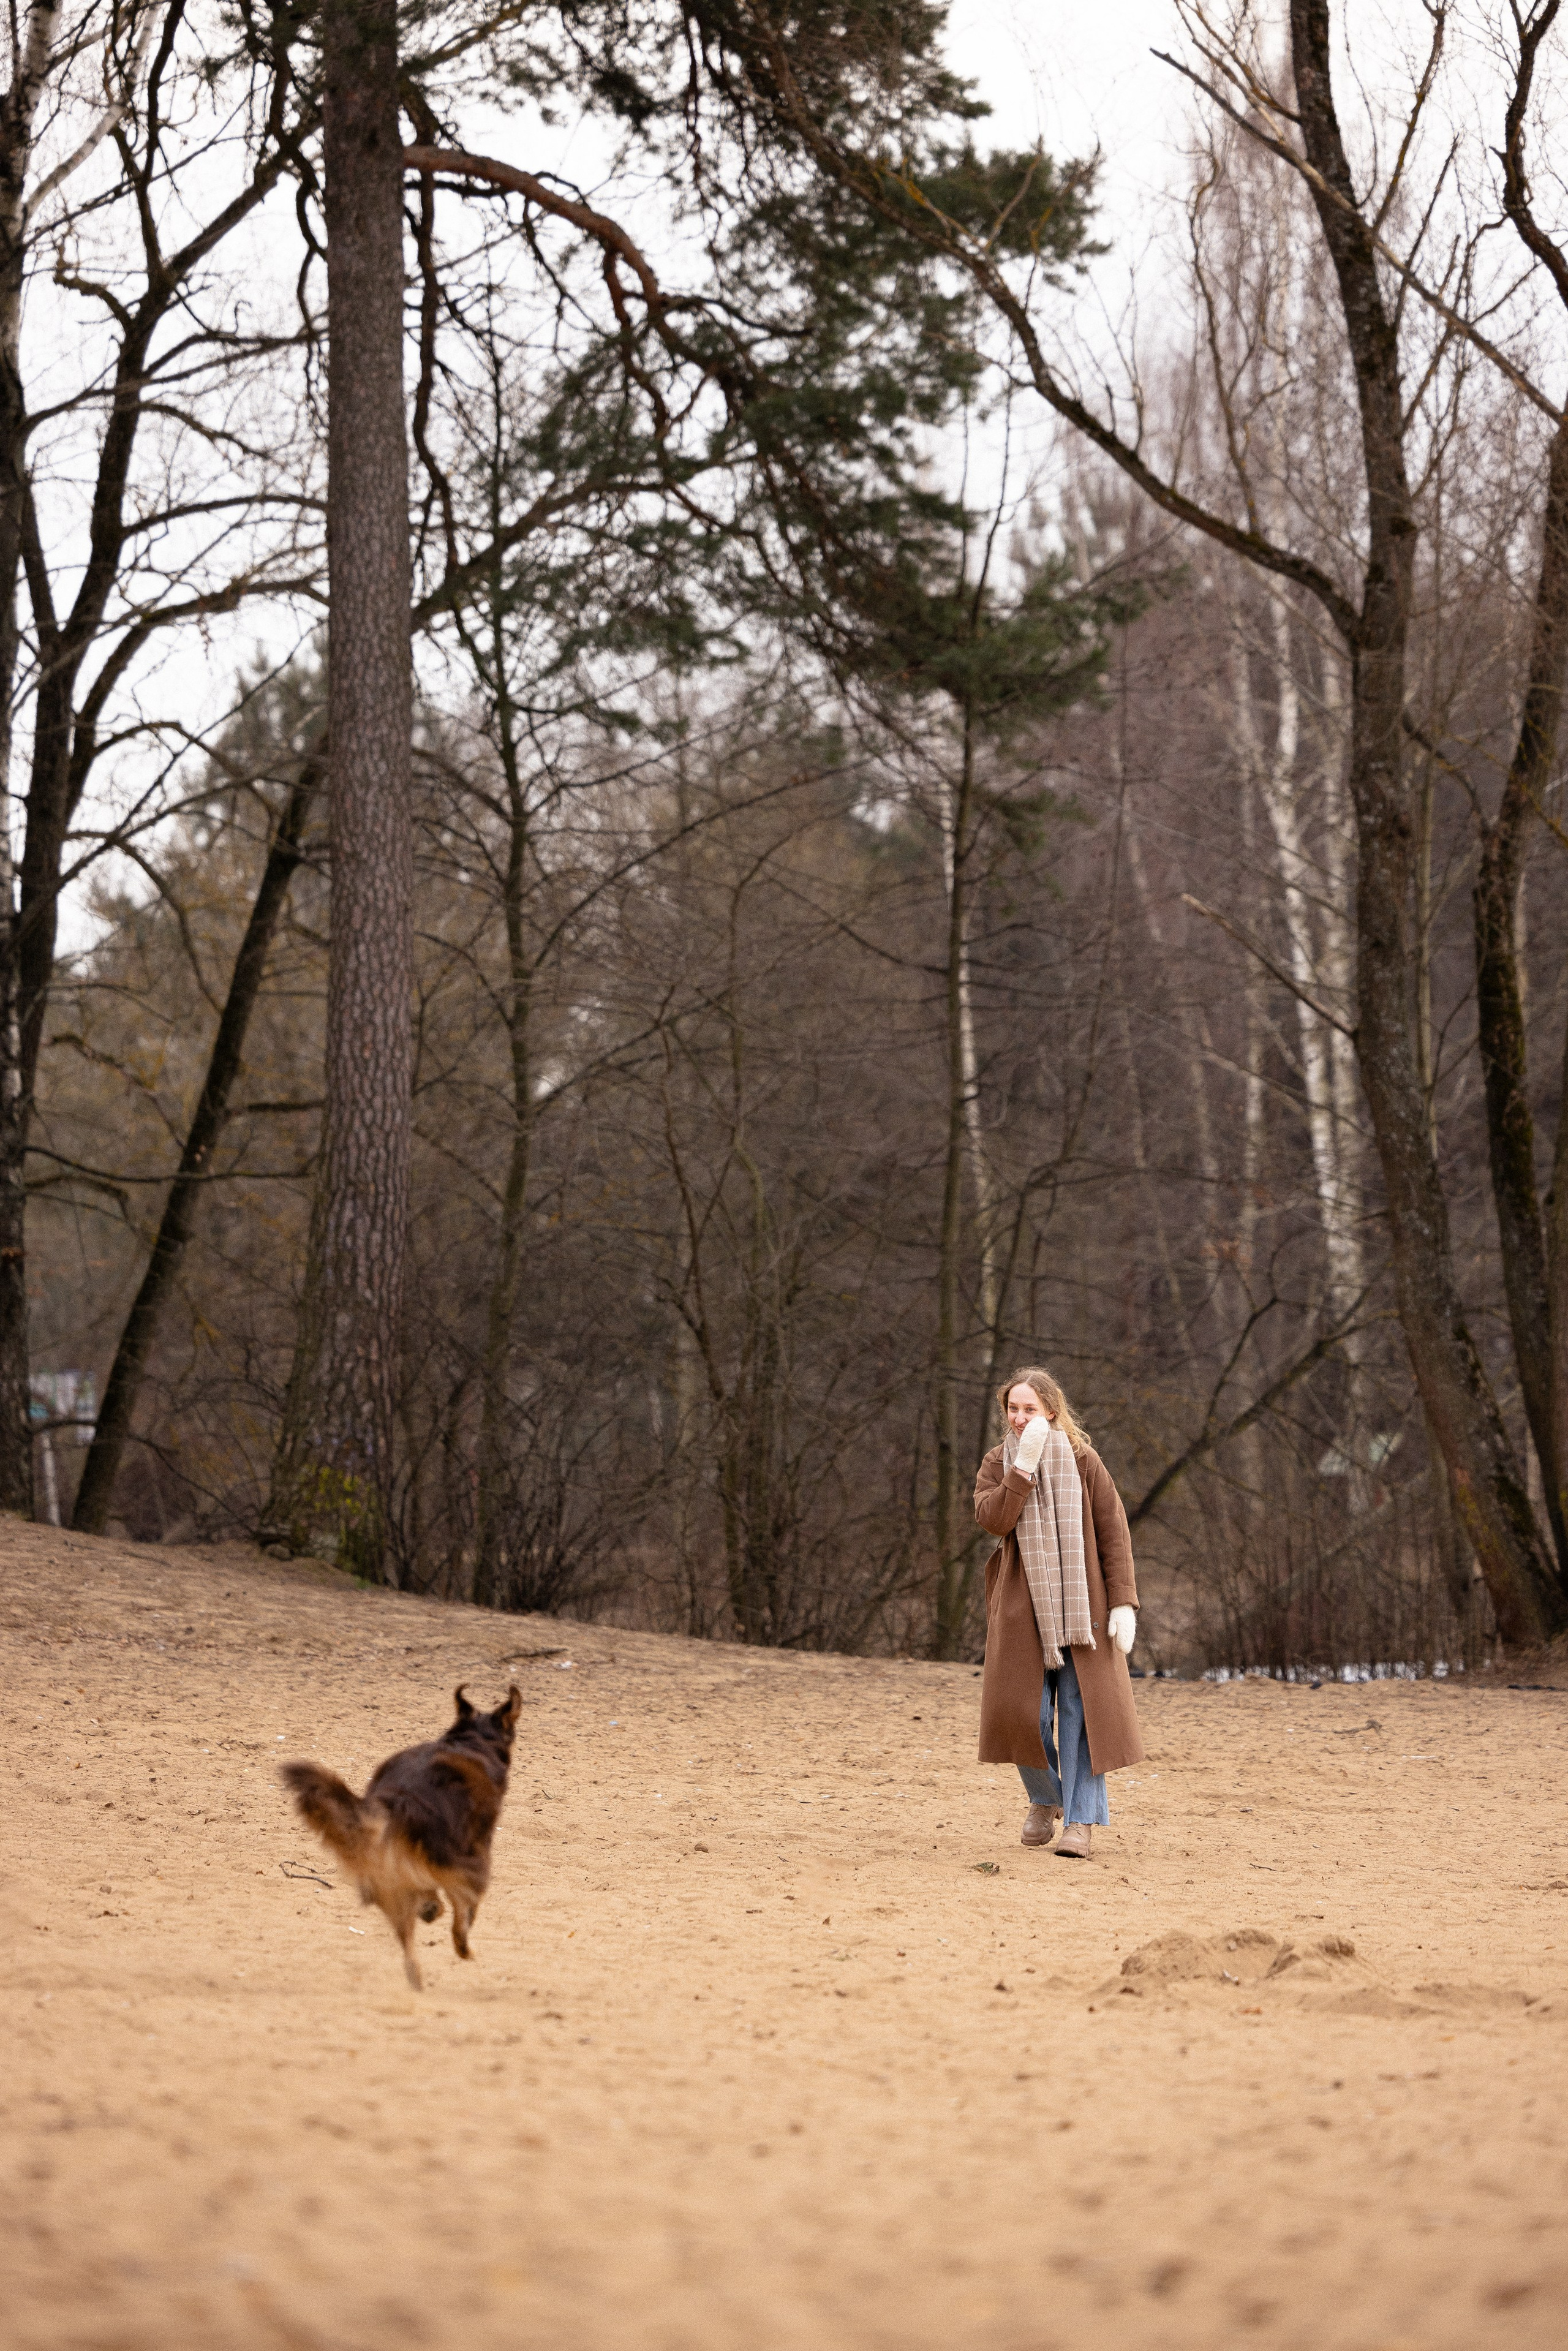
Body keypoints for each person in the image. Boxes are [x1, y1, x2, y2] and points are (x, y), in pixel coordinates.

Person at [973, 1366, 1144, 1857]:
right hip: (1019, 1606)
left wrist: (1123, 1602)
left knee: (1080, 1711)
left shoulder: (1083, 1459)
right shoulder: (996, 1462)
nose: (1022, 1418)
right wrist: (1022, 1469)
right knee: (1019, 1712)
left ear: (1051, 1409)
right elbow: (993, 1519)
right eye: (1014, 1409)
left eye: (1031, 1409)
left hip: (1082, 1605)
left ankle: (1081, 1822)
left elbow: (1114, 1531)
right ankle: (1045, 1797)